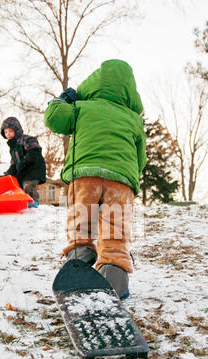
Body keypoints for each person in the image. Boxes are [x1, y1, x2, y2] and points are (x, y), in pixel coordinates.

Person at [44, 59, 146, 299]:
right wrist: (131, 180)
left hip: (85, 174)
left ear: (94, 83)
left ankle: (79, 258)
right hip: (120, 181)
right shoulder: (134, 120)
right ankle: (115, 276)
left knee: (81, 220)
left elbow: (54, 118)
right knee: (115, 230)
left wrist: (62, 99)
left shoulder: (81, 108)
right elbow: (140, 158)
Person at [1, 117, 46, 205]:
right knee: (18, 186)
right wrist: (10, 172)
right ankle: (22, 202)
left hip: (34, 169)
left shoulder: (26, 139)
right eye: (6, 132)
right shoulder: (13, 147)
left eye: (10, 131)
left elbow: (34, 152)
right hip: (24, 171)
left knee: (27, 185)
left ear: (16, 130)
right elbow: (14, 163)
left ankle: (33, 202)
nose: (8, 134)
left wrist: (23, 162)